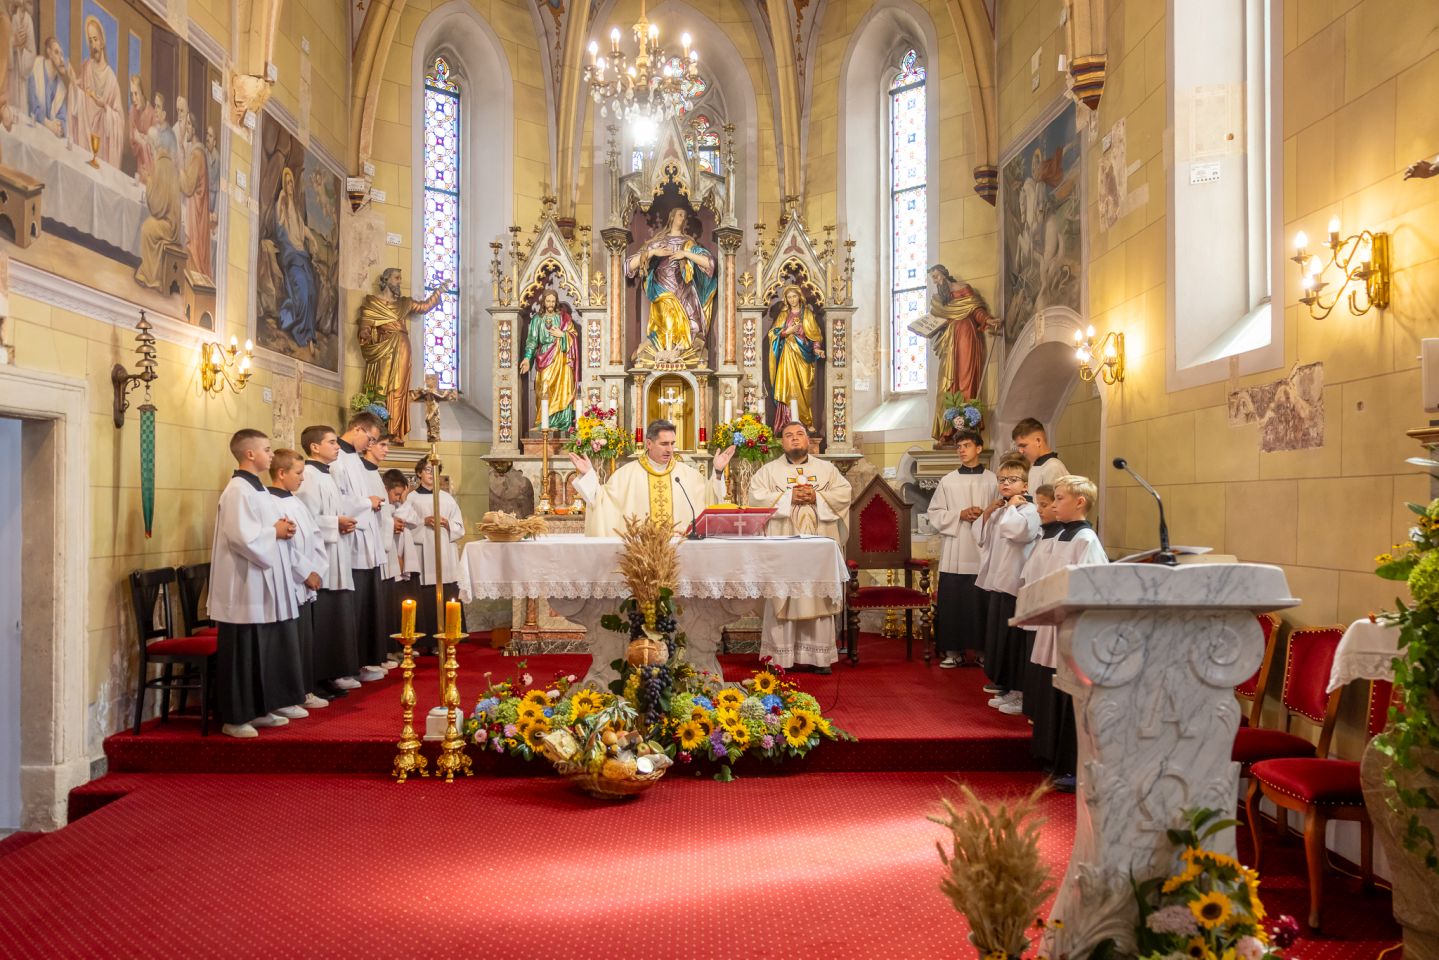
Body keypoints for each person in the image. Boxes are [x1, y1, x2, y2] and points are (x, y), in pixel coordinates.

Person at [207, 430, 307, 739]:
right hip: (244, 583)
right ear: (249, 454)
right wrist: (274, 533)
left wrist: (284, 528)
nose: (270, 454)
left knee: (262, 647)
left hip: (262, 580)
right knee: (243, 650)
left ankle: (260, 708)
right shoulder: (238, 490)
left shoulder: (259, 490)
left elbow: (268, 525)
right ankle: (235, 717)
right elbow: (241, 537)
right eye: (266, 449)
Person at [1020, 475, 1106, 791]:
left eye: (1059, 499)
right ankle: (1050, 755)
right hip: (1053, 624)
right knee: (1051, 693)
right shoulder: (1058, 537)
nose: (1054, 505)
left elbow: (1091, 587)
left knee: (1068, 698)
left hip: (1071, 629)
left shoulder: (1086, 540)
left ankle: (1070, 765)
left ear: (1079, 502)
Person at [747, 421, 853, 672]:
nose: (795, 439)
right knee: (783, 592)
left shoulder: (827, 470)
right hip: (783, 547)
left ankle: (819, 658)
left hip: (819, 548)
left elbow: (844, 494)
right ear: (781, 442)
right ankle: (779, 658)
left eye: (800, 434)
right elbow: (756, 498)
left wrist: (817, 496)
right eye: (788, 435)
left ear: (808, 440)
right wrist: (788, 498)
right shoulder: (768, 471)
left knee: (817, 594)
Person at [569, 419, 733, 537]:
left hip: (680, 554)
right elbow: (601, 501)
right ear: (648, 444)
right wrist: (588, 475)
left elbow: (711, 499)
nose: (670, 449)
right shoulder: (626, 475)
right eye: (664, 444)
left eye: (672, 443)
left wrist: (718, 472)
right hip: (640, 558)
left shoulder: (688, 475)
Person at [295, 424, 360, 698]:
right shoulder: (308, 476)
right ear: (314, 447)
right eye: (332, 442)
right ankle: (318, 677)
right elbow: (306, 520)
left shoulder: (326, 474)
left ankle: (330, 673)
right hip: (321, 558)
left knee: (335, 617)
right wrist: (336, 522)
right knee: (323, 620)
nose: (337, 447)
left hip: (337, 553)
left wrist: (342, 521)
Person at [973, 457, 1039, 713]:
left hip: (1016, 584)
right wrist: (988, 513)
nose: (1006, 484)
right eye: (1002, 480)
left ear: (1025, 485)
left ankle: (1021, 693)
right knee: (1001, 639)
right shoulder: (1003, 509)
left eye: (1012, 480)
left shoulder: (1028, 510)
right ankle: (1008, 687)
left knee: (1015, 641)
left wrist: (1010, 507)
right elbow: (983, 540)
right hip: (1000, 583)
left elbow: (1018, 533)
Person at [926, 428, 996, 669]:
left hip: (983, 549)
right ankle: (953, 651)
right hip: (956, 548)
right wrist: (960, 514)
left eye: (967, 445)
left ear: (979, 448)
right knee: (954, 602)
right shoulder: (948, 480)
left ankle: (982, 651)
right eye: (959, 447)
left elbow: (1004, 511)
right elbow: (934, 513)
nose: (962, 450)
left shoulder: (993, 480)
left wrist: (985, 515)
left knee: (981, 604)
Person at [267, 448, 329, 711]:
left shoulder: (296, 502)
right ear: (281, 473)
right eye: (298, 473)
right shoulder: (269, 503)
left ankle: (304, 689)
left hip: (306, 581)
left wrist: (317, 570)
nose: (303, 478)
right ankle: (287, 696)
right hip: (289, 582)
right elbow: (282, 546)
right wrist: (306, 573)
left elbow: (315, 538)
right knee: (288, 643)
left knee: (303, 641)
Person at [331, 412, 389, 681]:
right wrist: (368, 502)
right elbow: (339, 501)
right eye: (371, 438)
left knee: (367, 605)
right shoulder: (337, 460)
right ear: (357, 429)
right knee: (352, 607)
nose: (370, 444)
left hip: (366, 537)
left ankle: (364, 661)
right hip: (350, 539)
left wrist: (371, 502)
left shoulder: (354, 459)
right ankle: (347, 666)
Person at [357, 268, 443, 442]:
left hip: (402, 346)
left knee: (398, 387)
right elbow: (365, 325)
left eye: (400, 278)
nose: (399, 282)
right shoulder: (372, 303)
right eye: (396, 278)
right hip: (382, 347)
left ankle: (394, 431)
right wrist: (365, 332)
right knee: (379, 386)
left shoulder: (404, 303)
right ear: (386, 280)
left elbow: (424, 306)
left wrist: (438, 292)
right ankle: (377, 428)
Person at [627, 206, 716, 352]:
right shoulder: (658, 242)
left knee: (693, 329)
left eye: (684, 215)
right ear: (672, 217)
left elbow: (709, 264)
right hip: (664, 293)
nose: (683, 218)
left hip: (685, 292)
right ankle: (653, 351)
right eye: (680, 214)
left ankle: (678, 357)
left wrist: (685, 254)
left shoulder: (688, 244)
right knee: (667, 328)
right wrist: (654, 252)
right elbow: (629, 266)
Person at [926, 266, 996, 442]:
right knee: (946, 383)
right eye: (932, 279)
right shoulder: (938, 299)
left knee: (965, 377)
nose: (935, 281)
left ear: (943, 274)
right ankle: (947, 429)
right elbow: (935, 320)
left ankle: (967, 427)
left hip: (966, 335)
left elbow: (975, 310)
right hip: (949, 341)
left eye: (936, 277)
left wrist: (988, 319)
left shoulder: (964, 289)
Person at [401, 459, 465, 649]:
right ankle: (425, 642)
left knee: (447, 592)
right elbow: (406, 526)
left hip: (445, 550)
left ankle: (448, 639)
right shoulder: (411, 498)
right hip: (423, 552)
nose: (431, 473)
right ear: (419, 473)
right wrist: (423, 521)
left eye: (435, 470)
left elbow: (459, 527)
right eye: (427, 470)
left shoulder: (446, 498)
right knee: (425, 595)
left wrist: (448, 524)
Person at [363, 435, 400, 668]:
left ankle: (379, 653)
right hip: (368, 545)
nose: (386, 450)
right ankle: (374, 656)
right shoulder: (362, 472)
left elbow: (383, 511)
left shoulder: (374, 473)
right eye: (382, 445)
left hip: (379, 543)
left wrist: (390, 522)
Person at [766, 284, 825, 431]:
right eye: (789, 297)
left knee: (805, 388)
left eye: (794, 296)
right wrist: (787, 331)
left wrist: (817, 349)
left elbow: (815, 335)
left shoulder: (808, 315)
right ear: (786, 299)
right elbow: (772, 333)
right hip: (787, 355)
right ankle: (787, 421)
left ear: (800, 297)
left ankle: (806, 421)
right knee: (788, 386)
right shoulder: (783, 315)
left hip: (803, 356)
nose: (792, 300)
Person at [519, 290, 579, 433]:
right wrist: (527, 358)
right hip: (545, 358)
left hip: (562, 359)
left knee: (563, 390)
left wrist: (563, 335)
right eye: (548, 301)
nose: (551, 304)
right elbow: (532, 341)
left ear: (556, 301)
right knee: (543, 388)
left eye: (553, 301)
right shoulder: (537, 320)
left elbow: (574, 336)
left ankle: (562, 424)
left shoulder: (565, 318)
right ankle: (544, 422)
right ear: (543, 302)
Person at [68, 15, 123, 166]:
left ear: (103, 41)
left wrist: (104, 107)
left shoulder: (112, 79)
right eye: (90, 41)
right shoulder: (86, 67)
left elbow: (119, 119)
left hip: (102, 148)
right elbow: (77, 97)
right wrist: (73, 84)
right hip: (83, 137)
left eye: (96, 39)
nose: (93, 45)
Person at [383, 468, 420, 646]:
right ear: (386, 489)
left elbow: (413, 520)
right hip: (390, 562)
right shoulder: (384, 507)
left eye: (401, 495)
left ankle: (404, 643)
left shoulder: (399, 505)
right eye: (397, 494)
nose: (398, 498)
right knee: (391, 608)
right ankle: (392, 646)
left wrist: (404, 501)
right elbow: (396, 518)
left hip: (403, 561)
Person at [1011, 417, 1068, 491]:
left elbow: (1052, 502)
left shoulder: (1053, 467)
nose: (1020, 451)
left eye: (1023, 445)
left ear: (1038, 441)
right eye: (1019, 446)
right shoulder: (1035, 465)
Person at [26, 36, 66, 137]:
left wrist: (60, 127)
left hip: (50, 137)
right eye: (56, 53)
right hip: (32, 130)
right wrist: (50, 125)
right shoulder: (36, 68)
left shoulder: (61, 88)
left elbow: (63, 118)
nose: (61, 59)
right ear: (49, 52)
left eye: (61, 54)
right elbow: (33, 108)